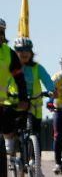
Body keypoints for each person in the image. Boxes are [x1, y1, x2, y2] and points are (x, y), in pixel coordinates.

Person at [11, 37, 55, 177]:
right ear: (15, 52)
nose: (23, 53)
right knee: (14, 133)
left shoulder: (37, 68)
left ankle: (37, 166)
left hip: (35, 106)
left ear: (31, 52)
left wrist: (52, 91)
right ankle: (14, 158)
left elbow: (48, 81)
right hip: (16, 105)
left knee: (35, 136)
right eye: (19, 50)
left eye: (26, 50)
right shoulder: (11, 67)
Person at [0, 21, 30, 151]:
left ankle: (9, 154)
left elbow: (19, 79)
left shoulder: (9, 53)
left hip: (3, 101)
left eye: (2, 32)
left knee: (8, 126)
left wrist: (23, 99)